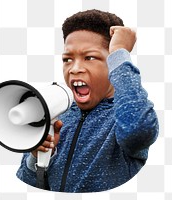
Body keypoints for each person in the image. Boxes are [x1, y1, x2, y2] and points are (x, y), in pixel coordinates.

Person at [16, 9, 159, 192]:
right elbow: (26, 186)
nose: (74, 69)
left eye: (89, 57)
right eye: (67, 59)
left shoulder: (125, 114)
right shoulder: (57, 115)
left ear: (112, 62)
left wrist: (120, 53)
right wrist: (36, 159)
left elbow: (138, 130)